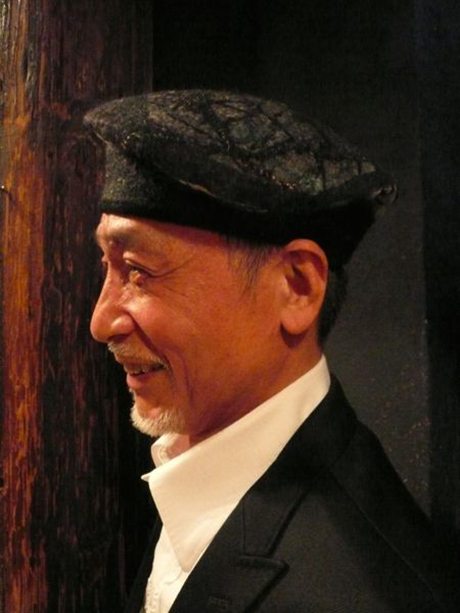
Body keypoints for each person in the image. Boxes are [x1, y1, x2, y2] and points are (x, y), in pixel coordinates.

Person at [85, 90, 458, 613]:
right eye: (108, 266)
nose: (101, 322)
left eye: (140, 272)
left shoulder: (363, 592)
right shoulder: (201, 450)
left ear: (296, 287)